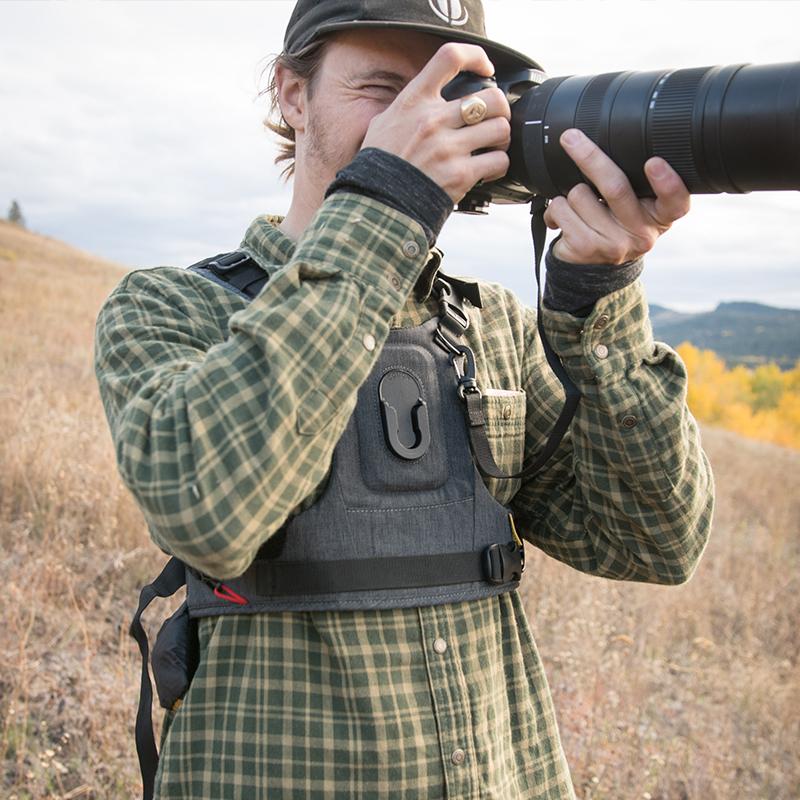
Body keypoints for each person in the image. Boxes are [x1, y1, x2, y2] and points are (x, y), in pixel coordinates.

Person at [94, 1, 714, 798]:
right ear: (293, 94)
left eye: (451, 96)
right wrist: (387, 200)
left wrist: (599, 294)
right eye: (385, 90)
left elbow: (652, 542)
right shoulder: (171, 308)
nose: (425, 121)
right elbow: (209, 511)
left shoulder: (491, 325)